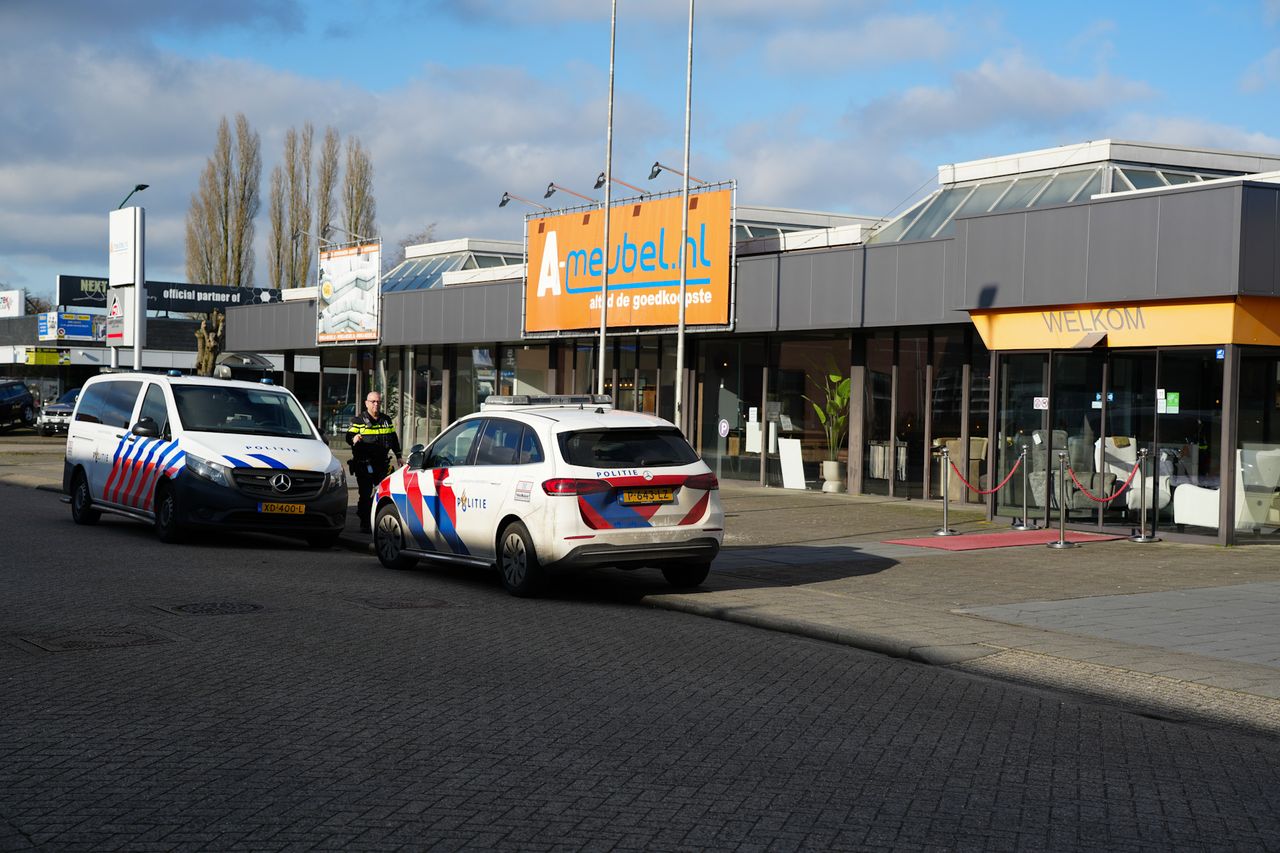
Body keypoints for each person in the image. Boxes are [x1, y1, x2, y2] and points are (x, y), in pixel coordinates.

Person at [345, 391, 403, 533]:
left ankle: (378, 521)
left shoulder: (386, 420)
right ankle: (365, 522)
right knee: (365, 494)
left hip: (381, 464)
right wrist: (354, 438)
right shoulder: (358, 420)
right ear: (366, 403)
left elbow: (393, 439)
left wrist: (399, 456)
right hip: (364, 464)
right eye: (373, 402)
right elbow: (349, 436)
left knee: (384, 493)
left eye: (378, 402)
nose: (376, 404)